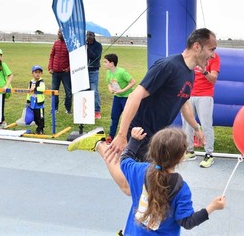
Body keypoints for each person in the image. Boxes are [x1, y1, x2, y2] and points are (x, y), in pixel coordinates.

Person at [69, 126, 225, 235]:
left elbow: (124, 159)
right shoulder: (181, 189)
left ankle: (98, 144)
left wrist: (134, 140)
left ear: (153, 151)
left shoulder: (140, 170)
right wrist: (212, 206)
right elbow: (187, 222)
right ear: (181, 158)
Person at [103, 27, 216, 164]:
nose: (213, 55)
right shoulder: (168, 66)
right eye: (211, 49)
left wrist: (197, 129)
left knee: (146, 181)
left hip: (157, 135)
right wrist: (121, 135)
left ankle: (98, 145)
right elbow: (134, 96)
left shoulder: (190, 73)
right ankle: (98, 144)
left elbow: (183, 102)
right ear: (197, 47)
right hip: (140, 133)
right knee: (130, 182)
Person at [181, 52, 221, 168]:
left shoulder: (214, 57)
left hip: (205, 95)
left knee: (206, 124)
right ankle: (189, 151)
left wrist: (204, 71)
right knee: (187, 124)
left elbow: (213, 79)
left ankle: (209, 154)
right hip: (189, 94)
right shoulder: (193, 54)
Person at [103, 53, 137, 143]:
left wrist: (122, 91)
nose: (104, 64)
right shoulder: (108, 72)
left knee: (128, 118)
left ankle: (128, 138)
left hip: (126, 98)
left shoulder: (122, 72)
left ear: (112, 63)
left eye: (105, 62)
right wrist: (110, 88)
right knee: (114, 117)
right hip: (117, 98)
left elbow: (133, 82)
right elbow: (109, 83)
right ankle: (111, 136)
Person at [48, 29, 72, 114]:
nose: (59, 34)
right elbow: (52, 56)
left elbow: (72, 58)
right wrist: (50, 67)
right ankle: (54, 109)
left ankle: (68, 108)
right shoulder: (55, 43)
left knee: (68, 92)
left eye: (61, 32)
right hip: (55, 72)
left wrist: (68, 69)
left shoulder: (69, 44)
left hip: (65, 73)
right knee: (54, 91)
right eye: (58, 32)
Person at [87, 31, 103, 119]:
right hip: (84, 71)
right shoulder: (83, 44)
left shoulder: (98, 45)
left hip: (94, 70)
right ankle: (87, 109)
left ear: (94, 36)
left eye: (90, 35)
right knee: (85, 90)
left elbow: (97, 57)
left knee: (94, 91)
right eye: (87, 35)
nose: (88, 37)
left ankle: (97, 111)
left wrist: (88, 49)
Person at [27, 65, 46, 134]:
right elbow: (28, 92)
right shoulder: (31, 82)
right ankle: (38, 126)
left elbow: (42, 89)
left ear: (41, 74)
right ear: (32, 73)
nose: (37, 74)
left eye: (39, 72)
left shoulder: (41, 82)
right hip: (33, 102)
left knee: (40, 117)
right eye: (36, 72)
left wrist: (35, 88)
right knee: (35, 117)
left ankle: (41, 129)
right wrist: (28, 100)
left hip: (39, 103)